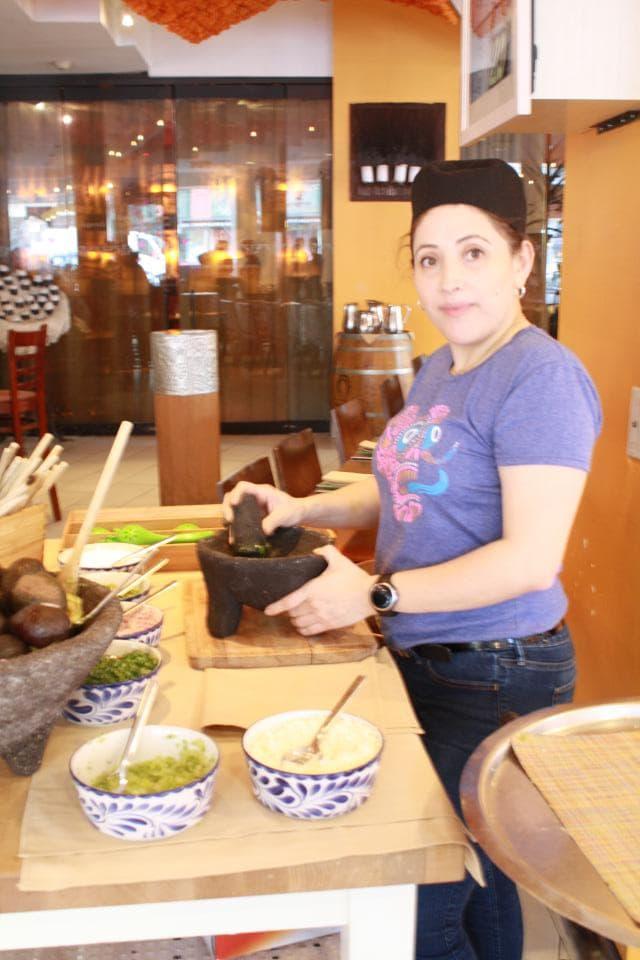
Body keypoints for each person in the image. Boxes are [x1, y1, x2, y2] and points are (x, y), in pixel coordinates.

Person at [222, 159, 602, 960]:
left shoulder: (541, 379)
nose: (449, 280)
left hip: (497, 665)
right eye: (429, 258)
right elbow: (399, 493)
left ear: (522, 260)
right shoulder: (443, 365)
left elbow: (531, 560)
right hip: (432, 654)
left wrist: (376, 596)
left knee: (416, 899)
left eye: (473, 253)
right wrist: (305, 507)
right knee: (480, 874)